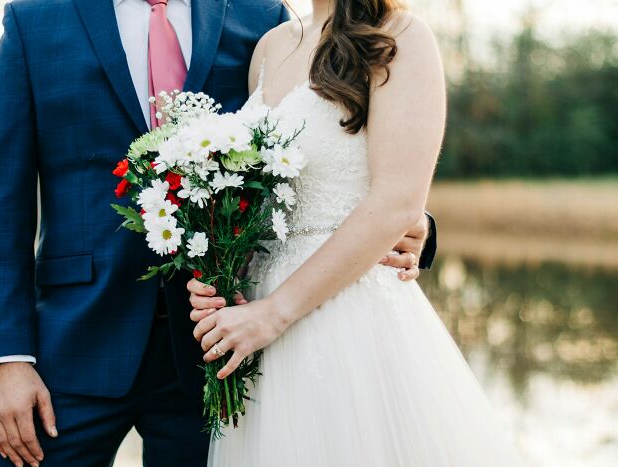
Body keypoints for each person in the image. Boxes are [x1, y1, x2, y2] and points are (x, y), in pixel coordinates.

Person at [0, 1, 435, 466]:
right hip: (70, 349)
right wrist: (6, 359)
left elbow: (314, 148)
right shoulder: (35, 20)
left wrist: (413, 223)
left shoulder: (260, 20)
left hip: (218, 355)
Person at [189, 1, 525, 465]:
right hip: (255, 321)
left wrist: (275, 313)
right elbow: (260, 197)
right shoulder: (271, 45)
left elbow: (398, 203)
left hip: (347, 316)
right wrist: (222, 274)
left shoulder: (400, 36)